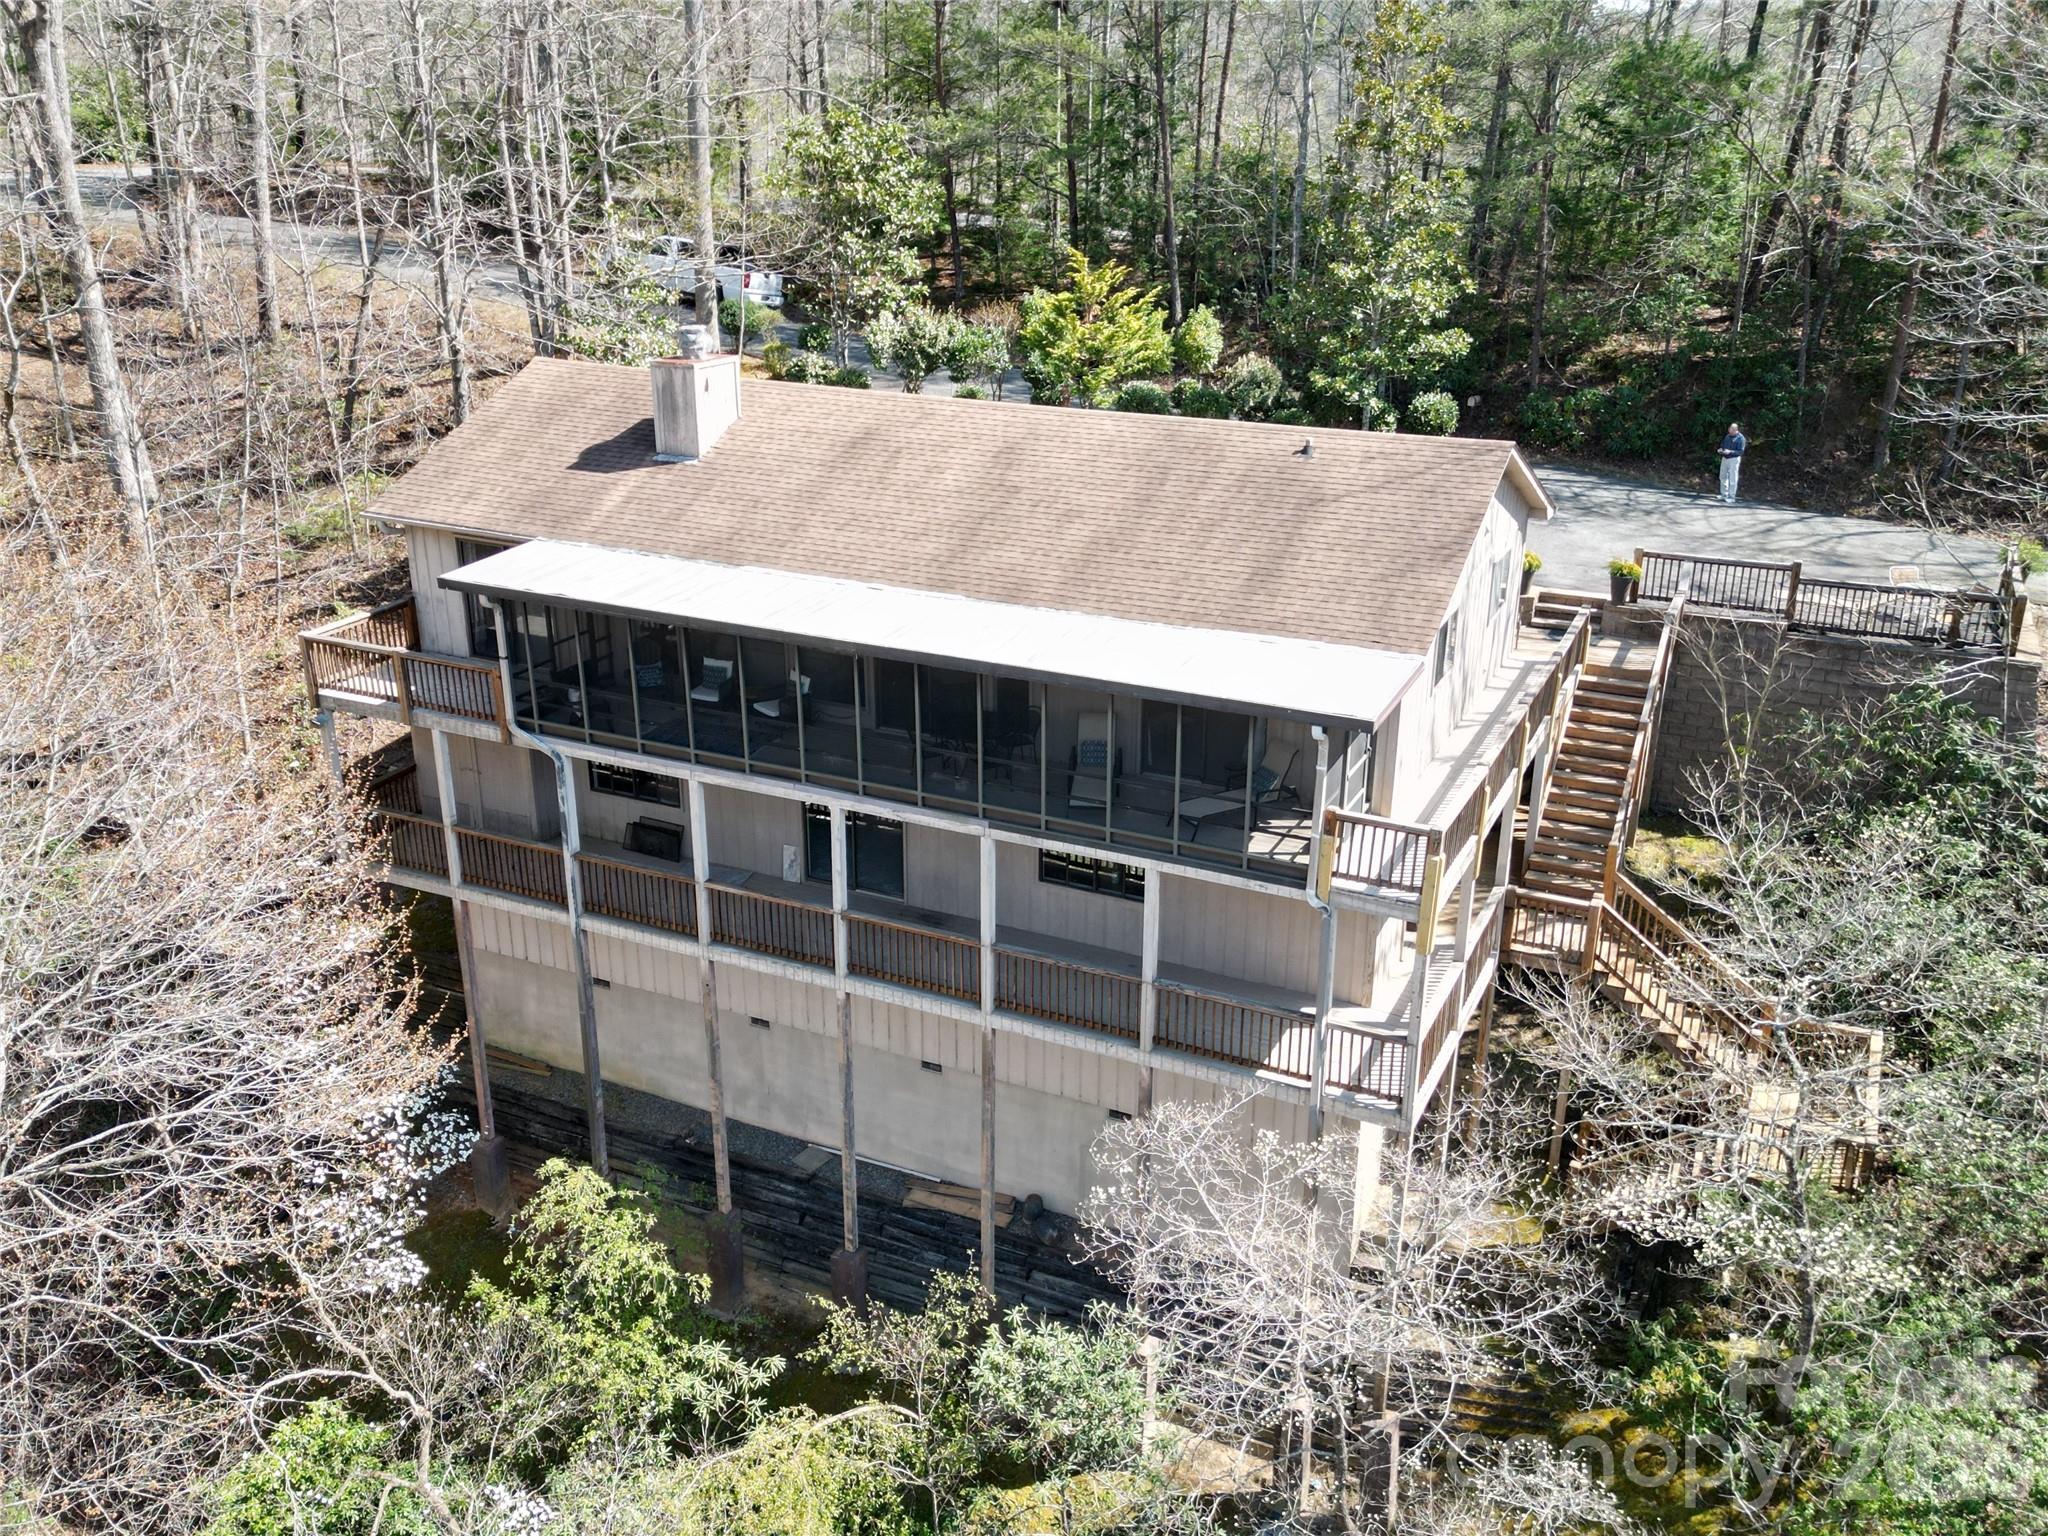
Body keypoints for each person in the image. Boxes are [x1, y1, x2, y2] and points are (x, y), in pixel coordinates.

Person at [1717, 421, 1747, 504]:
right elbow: (1723, 445)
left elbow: (1740, 452)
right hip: (1725, 458)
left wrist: (1730, 452)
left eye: (1732, 429)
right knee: (1722, 476)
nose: (1730, 431)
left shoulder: (1741, 438)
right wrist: (1721, 450)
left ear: (1736, 430)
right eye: (1730, 429)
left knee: (1732, 478)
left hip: (1734, 459)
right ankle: (1724, 494)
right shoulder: (1727, 436)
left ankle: (1732, 497)